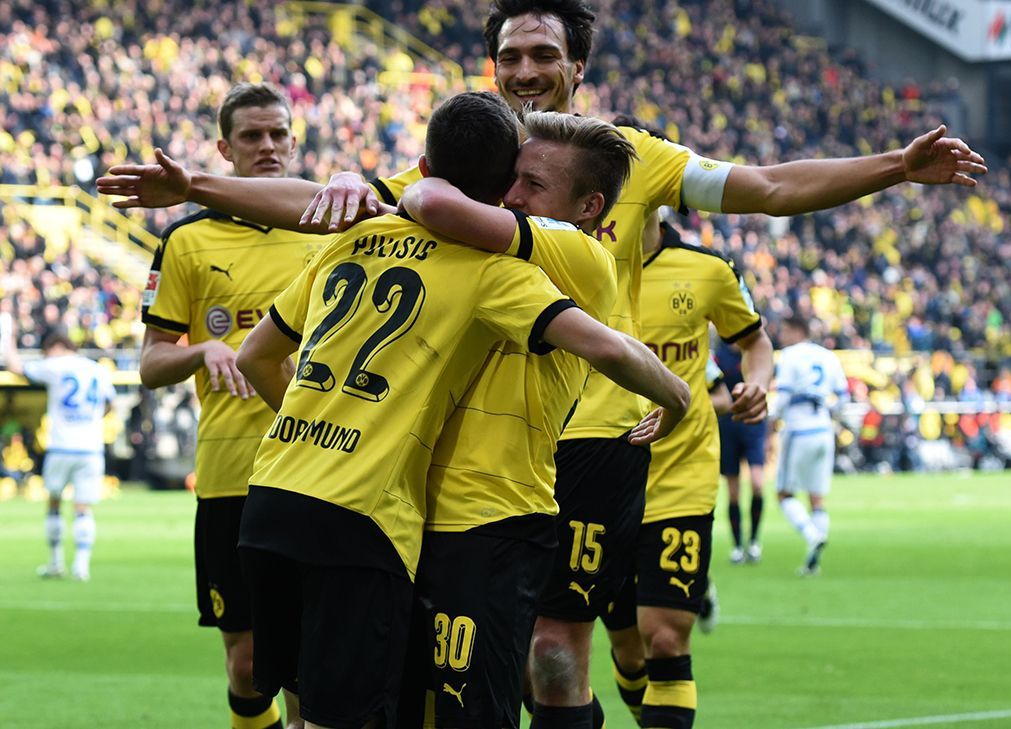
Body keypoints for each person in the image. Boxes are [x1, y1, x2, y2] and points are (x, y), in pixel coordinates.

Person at [97, 3, 985, 721]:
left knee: (555, 657)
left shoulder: (625, 160)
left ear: (577, 66)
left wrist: (894, 168)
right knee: (407, 683)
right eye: (509, 54)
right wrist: (202, 190)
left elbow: (770, 187)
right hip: (440, 467)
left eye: (542, 52)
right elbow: (332, 206)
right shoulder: (456, 167)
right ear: (492, 70)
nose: (524, 68)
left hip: (587, 436)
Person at [233, 91, 689, 729]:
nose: (514, 193)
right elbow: (389, 200)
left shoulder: (564, 259)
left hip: (489, 520)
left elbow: (429, 197)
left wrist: (677, 394)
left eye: (531, 182)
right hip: (397, 516)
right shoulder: (467, 253)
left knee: (479, 705)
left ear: (590, 208)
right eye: (512, 177)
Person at [137, 83, 324, 729]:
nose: (268, 146)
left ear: (295, 139)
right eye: (252, 136)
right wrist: (202, 350)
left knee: (308, 661)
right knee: (246, 666)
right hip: (229, 479)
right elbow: (151, 363)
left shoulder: (331, 225)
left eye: (278, 133)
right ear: (224, 147)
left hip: (319, 472)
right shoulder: (186, 240)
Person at [599, 209, 772, 727]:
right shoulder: (580, 260)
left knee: (666, 636)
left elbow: (755, 342)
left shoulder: (707, 268)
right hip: (607, 477)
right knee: (628, 650)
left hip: (683, 477)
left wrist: (757, 382)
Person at [5, 331, 115, 581]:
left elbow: (17, 367)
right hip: (91, 448)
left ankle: (56, 563)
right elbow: (110, 403)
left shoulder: (55, 365)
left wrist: (9, 339)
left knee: (54, 503)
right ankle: (81, 566)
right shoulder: (97, 369)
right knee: (83, 508)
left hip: (62, 446)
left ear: (54, 347)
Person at [771, 315, 849, 576]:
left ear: (796, 331)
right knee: (817, 497)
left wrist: (771, 421)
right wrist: (827, 411)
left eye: (784, 330)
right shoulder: (828, 356)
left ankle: (812, 535)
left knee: (784, 493)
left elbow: (782, 397)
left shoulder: (789, 356)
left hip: (798, 429)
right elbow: (843, 396)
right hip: (823, 429)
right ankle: (813, 562)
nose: (781, 336)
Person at [716, 338, 770, 564]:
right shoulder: (719, 356)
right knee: (733, 490)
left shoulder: (755, 351)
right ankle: (738, 546)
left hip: (753, 423)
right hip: (727, 424)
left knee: (758, 483)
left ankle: (754, 542)